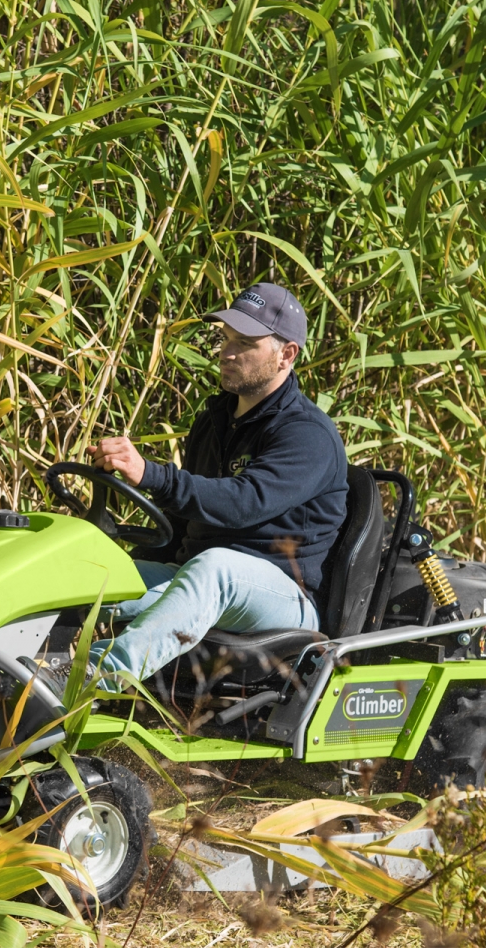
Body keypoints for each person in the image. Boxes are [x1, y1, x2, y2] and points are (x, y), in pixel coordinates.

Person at [82, 282, 349, 687]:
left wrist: (151, 473)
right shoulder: (214, 422)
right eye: (225, 339)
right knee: (90, 578)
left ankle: (88, 680)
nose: (226, 352)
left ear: (286, 355)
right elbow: (181, 520)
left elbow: (243, 503)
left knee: (216, 567)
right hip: (197, 576)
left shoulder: (307, 434)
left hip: (285, 598)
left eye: (244, 343)